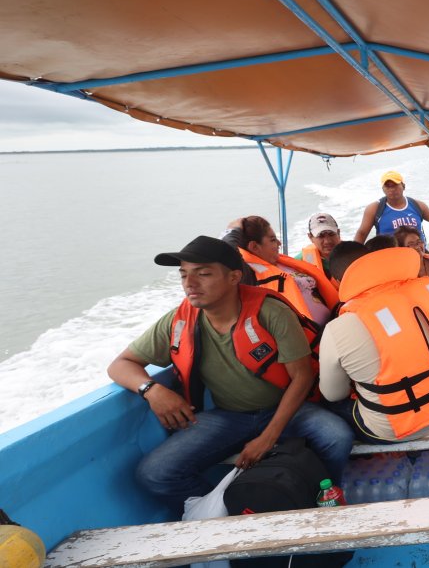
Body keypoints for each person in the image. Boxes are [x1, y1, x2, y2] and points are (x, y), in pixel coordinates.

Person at [106, 236, 353, 509]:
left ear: (234, 277)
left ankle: (321, 498)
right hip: (229, 416)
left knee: (335, 436)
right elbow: (120, 364)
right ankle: (231, 510)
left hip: (286, 409)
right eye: (184, 275)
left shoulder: (270, 312)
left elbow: (302, 377)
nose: (190, 283)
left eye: (204, 274)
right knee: (155, 473)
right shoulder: (180, 320)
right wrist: (151, 390)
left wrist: (267, 437)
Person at [319, 246, 429, 444]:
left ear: (336, 282)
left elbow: (334, 394)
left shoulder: (338, 328)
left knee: (323, 405)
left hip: (391, 430)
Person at [224, 216, 339, 326]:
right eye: (273, 240)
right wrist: (233, 229)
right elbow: (226, 253)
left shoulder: (282, 262)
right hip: (312, 339)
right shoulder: (249, 275)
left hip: (333, 320)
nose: (279, 243)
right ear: (254, 247)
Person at [353, 171, 429, 245]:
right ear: (383, 189)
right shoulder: (375, 208)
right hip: (390, 257)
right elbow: (362, 233)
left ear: (403, 186)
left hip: (418, 253)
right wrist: (353, 257)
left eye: (395, 185)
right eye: (388, 186)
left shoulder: (417, 205)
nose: (392, 189)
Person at [293, 212, 341, 282]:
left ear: (338, 233)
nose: (327, 241)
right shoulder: (299, 262)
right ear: (310, 237)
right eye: (320, 236)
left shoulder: (353, 255)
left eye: (331, 234)